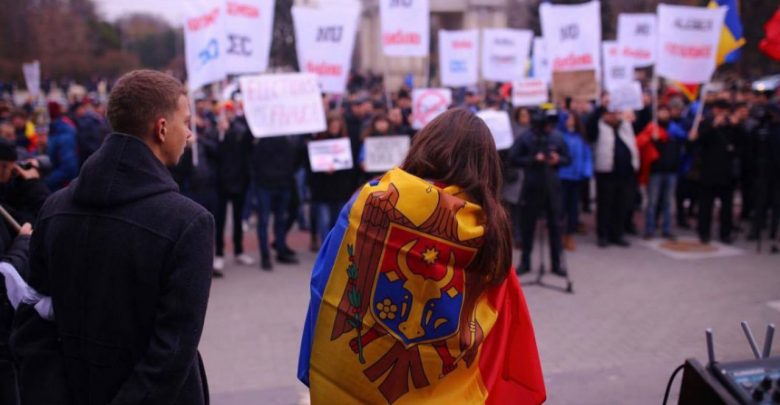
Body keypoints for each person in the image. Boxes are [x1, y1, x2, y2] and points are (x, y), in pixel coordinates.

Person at [298, 108, 545, 404]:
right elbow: (504, 327)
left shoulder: (370, 201)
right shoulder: (491, 229)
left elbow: (326, 280)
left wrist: (313, 361)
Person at [20, 70, 213, 404]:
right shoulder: (189, 223)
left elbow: (33, 328)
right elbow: (171, 352)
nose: (191, 134)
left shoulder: (53, 210)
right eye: (186, 121)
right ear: (162, 128)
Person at [512, 107, 571, 276]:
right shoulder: (526, 137)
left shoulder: (557, 137)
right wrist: (533, 159)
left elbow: (568, 159)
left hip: (552, 188)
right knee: (527, 226)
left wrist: (558, 159)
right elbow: (513, 158)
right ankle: (525, 262)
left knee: (555, 226)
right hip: (531, 187)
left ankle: (556, 263)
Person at [589, 110, 639, 248]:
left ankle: (617, 234)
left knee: (621, 205)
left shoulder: (625, 126)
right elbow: (590, 129)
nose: (613, 117)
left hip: (625, 173)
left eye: (615, 113)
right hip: (606, 172)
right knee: (605, 206)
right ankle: (603, 235)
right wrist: (600, 107)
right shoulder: (598, 126)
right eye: (609, 114)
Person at [305, 113, 356, 249]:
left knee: (337, 221)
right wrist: (323, 169)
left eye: (337, 125)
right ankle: (326, 248)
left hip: (340, 189)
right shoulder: (318, 143)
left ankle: (335, 247)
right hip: (323, 189)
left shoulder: (346, 143)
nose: (334, 127)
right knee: (325, 221)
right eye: (332, 125)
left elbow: (350, 167)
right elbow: (311, 167)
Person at [636, 106, 687, 240]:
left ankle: (666, 229)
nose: (663, 114)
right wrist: (652, 139)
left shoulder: (675, 130)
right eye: (661, 112)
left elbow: (685, 140)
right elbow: (640, 143)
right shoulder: (651, 129)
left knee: (668, 202)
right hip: (656, 171)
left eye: (665, 112)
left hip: (671, 171)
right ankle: (649, 228)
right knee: (652, 202)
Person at [214, 102, 254, 270]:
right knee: (221, 220)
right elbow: (213, 151)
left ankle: (239, 251)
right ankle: (219, 253)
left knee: (238, 218)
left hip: (238, 181)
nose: (228, 115)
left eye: (230, 111)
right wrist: (220, 133)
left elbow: (247, 142)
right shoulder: (214, 131)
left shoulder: (240, 129)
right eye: (225, 111)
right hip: (220, 183)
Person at [251, 135, 300, 270]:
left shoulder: (287, 139)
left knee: (280, 220)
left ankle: (280, 249)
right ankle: (265, 255)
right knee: (264, 221)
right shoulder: (262, 138)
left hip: (282, 183)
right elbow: (254, 159)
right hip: (266, 185)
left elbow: (295, 158)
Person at [693, 100, 737, 244]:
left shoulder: (730, 126)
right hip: (709, 171)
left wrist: (735, 126)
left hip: (726, 172)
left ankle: (726, 233)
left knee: (727, 206)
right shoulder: (705, 123)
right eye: (720, 110)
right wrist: (713, 126)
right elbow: (701, 141)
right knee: (706, 205)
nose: (722, 114)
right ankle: (703, 232)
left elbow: (740, 143)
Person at [558, 111, 592, 251]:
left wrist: (586, 172)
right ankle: (559, 236)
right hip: (562, 177)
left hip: (577, 178)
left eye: (572, 118)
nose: (569, 121)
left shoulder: (581, 138)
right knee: (561, 209)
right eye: (567, 118)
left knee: (573, 210)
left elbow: (587, 156)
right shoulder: (560, 136)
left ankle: (569, 235)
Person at [43, 101, 79, 191]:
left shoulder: (64, 133)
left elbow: (68, 167)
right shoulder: (52, 130)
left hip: (60, 188)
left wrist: (45, 182)